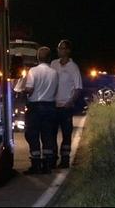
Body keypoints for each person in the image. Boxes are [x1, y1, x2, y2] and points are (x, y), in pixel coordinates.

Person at [23, 47, 58, 175]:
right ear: (49, 58)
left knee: (32, 135)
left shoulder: (33, 71)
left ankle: (36, 164)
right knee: (47, 135)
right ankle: (47, 165)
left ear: (38, 57)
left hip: (35, 107)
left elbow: (30, 89)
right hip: (50, 106)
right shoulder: (54, 72)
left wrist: (23, 90)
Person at [50, 40, 83, 168]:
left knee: (66, 134)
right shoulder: (53, 64)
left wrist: (71, 102)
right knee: (51, 134)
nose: (60, 51)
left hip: (65, 107)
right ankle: (52, 158)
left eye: (63, 48)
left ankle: (64, 159)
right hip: (53, 105)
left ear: (68, 50)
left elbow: (78, 88)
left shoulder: (73, 67)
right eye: (59, 48)